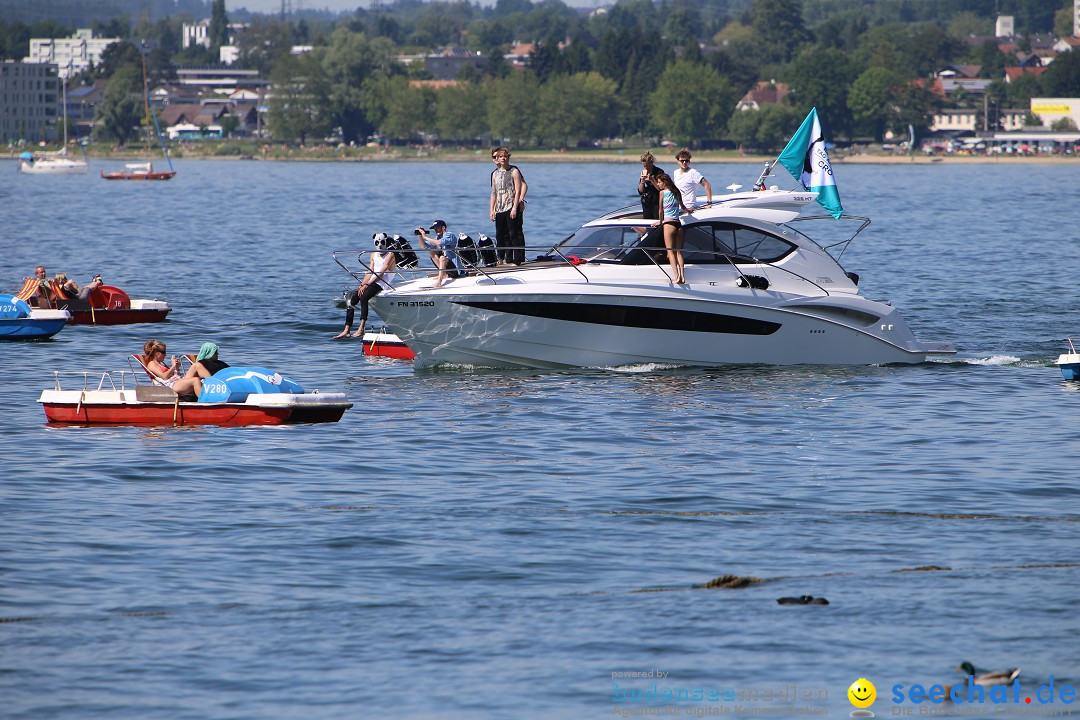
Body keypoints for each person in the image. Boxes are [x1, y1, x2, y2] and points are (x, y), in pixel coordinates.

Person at [333, 233, 398, 339]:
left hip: (382, 283)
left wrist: (367, 284)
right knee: (351, 299)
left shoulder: (390, 254)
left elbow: (381, 272)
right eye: (377, 243)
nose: (380, 245)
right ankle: (346, 329)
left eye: (382, 242)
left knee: (364, 298)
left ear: (385, 242)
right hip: (372, 281)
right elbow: (370, 271)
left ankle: (361, 328)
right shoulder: (373, 254)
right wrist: (362, 285)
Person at [489, 147, 528, 265]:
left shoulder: (514, 170)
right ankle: (501, 259)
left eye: (504, 156)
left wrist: (516, 206)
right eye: (499, 157)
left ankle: (518, 259)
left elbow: (519, 188)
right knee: (500, 234)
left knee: (514, 233)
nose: (502, 159)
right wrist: (491, 209)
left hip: (511, 205)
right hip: (499, 207)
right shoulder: (494, 174)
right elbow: (493, 193)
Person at [652, 173, 691, 284]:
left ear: (665, 182)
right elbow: (683, 207)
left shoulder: (662, 193)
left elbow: (660, 211)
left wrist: (660, 222)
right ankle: (683, 277)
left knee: (670, 252)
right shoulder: (676, 192)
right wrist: (689, 211)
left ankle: (676, 277)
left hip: (668, 224)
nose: (658, 184)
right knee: (678, 252)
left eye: (659, 182)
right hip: (678, 225)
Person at [415, 219, 458, 288]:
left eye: (437, 228)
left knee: (442, 258)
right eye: (434, 229)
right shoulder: (437, 238)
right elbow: (424, 246)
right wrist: (420, 236)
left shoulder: (449, 235)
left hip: (455, 269)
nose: (435, 230)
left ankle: (439, 282)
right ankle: (443, 274)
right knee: (431, 251)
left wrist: (425, 237)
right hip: (446, 267)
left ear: (443, 227)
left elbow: (440, 243)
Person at [637, 151, 665, 219]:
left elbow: (661, 189)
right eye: (644, 166)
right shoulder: (644, 172)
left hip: (657, 202)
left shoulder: (659, 172)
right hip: (646, 202)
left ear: (652, 163)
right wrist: (642, 182)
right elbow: (640, 191)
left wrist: (652, 180)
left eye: (648, 166)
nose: (646, 168)